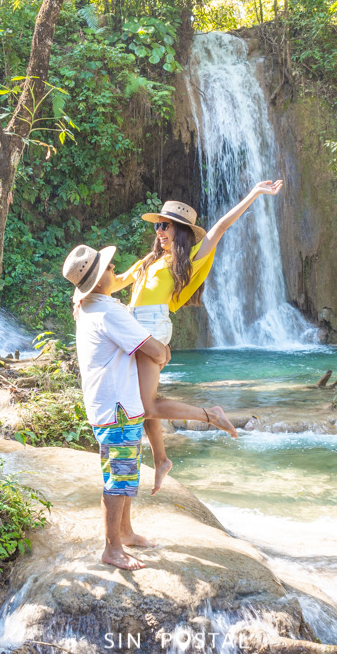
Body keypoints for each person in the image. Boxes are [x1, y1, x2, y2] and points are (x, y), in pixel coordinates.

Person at [64, 243, 239, 570]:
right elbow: (154, 349)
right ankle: (112, 548)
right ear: (100, 278)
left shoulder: (89, 307)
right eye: (111, 268)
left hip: (112, 404)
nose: (115, 271)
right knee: (118, 478)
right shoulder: (108, 312)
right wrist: (163, 353)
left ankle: (126, 532)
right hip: (117, 408)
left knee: (126, 470)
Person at [112, 180, 284, 494]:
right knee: (141, 402)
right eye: (158, 226)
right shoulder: (147, 263)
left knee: (147, 405)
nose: (159, 231)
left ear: (180, 231)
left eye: (165, 226)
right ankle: (162, 459)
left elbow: (220, 227)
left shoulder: (185, 260)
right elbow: (116, 282)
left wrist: (255, 193)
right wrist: (85, 290)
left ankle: (211, 416)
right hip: (132, 328)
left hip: (152, 328)